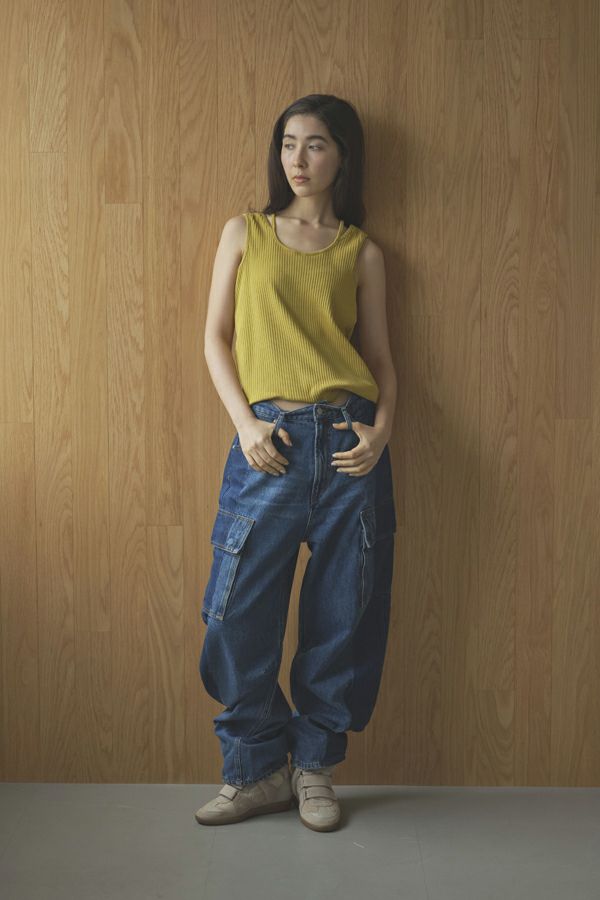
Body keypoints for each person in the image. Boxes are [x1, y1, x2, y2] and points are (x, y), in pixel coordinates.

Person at [195, 94, 397, 833]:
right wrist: (245, 423)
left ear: (343, 155)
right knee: (235, 614)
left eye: (315, 144)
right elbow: (215, 338)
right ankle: (256, 771)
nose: (298, 159)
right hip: (268, 444)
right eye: (287, 143)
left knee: (344, 615)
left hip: (349, 443)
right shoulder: (244, 232)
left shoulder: (361, 251)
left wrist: (381, 434)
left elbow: (382, 361)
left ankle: (314, 768)